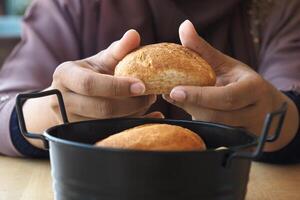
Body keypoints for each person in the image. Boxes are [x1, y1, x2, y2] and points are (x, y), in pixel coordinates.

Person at [0, 0, 299, 163]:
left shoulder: (279, 9)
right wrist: (51, 111)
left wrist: (277, 119)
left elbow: (290, 102)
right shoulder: (71, 7)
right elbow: (5, 108)